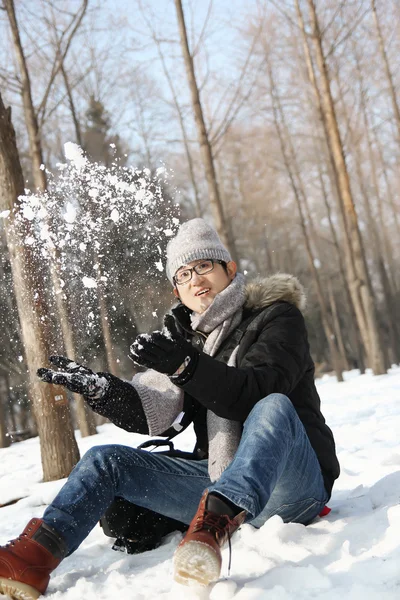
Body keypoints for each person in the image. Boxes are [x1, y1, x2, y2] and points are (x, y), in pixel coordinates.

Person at [0, 218, 340, 599]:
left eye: (204, 266)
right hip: (216, 483)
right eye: (183, 274)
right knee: (104, 460)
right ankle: (33, 558)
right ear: (176, 290)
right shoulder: (185, 339)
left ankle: (210, 528)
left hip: (291, 485)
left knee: (273, 406)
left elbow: (252, 392)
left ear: (230, 269)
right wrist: (103, 391)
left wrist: (186, 366)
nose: (196, 280)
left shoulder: (277, 318)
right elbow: (154, 410)